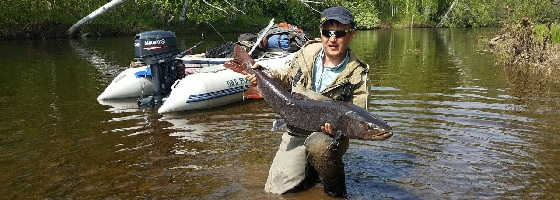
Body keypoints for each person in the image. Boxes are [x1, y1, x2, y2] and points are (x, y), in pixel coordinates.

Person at [246, 6, 369, 197]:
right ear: (321, 33)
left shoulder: (357, 74)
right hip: (296, 129)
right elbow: (284, 77)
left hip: (328, 137)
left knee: (319, 146)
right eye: (327, 32)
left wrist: (337, 129)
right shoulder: (307, 52)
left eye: (340, 33)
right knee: (275, 191)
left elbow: (359, 116)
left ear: (351, 34)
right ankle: (310, 173)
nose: (332, 38)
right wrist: (261, 73)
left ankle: (335, 189)